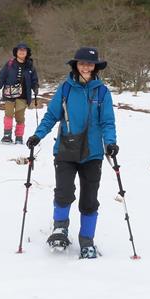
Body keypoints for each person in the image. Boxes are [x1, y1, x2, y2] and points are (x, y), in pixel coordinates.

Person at [26, 46, 117, 259]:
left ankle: (87, 240)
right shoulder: (65, 89)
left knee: (89, 200)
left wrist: (111, 143)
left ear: (95, 67)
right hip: (66, 150)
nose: (86, 67)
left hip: (93, 154)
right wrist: (38, 135)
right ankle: (60, 229)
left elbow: (107, 122)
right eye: (82, 63)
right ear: (76, 65)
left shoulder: (102, 92)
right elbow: (51, 115)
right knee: (64, 192)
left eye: (90, 64)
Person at [0, 42, 40, 145]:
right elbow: (2, 76)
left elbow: (34, 80)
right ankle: (7, 135)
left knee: (20, 117)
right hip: (9, 94)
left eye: (24, 50)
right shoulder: (10, 64)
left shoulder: (30, 66)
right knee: (8, 115)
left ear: (27, 53)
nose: (22, 52)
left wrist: (35, 87)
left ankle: (19, 137)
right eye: (20, 50)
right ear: (16, 52)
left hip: (23, 96)